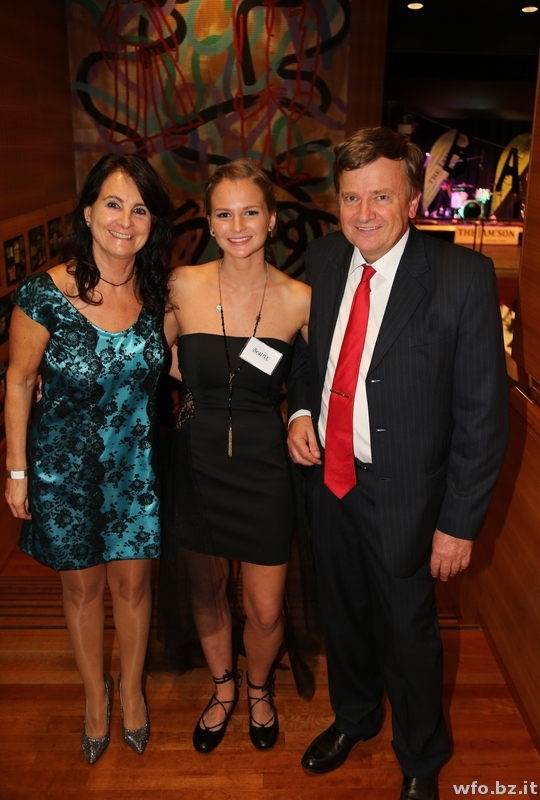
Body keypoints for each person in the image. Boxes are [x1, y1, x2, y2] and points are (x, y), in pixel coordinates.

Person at [286, 127, 509, 800]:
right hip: (331, 480)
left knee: (409, 634)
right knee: (342, 613)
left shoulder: (462, 278)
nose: (364, 214)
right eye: (351, 197)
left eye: (381, 196)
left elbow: (483, 416)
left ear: (412, 199)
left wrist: (458, 525)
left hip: (409, 495)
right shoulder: (324, 259)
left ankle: (421, 755)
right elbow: (309, 356)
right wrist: (300, 411)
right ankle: (354, 716)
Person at [4, 153, 174, 764]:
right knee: (82, 592)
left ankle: (131, 690)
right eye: (113, 204)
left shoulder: (161, 293)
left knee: (134, 587)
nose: (125, 220)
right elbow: (19, 381)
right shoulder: (42, 295)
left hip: (136, 470)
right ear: (87, 212)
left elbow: (180, 366)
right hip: (65, 471)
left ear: (152, 223)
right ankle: (95, 698)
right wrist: (17, 470)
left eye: (140, 209)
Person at [161, 159, 312, 753]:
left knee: (266, 609)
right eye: (224, 213)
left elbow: (319, 379)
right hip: (196, 463)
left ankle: (258, 688)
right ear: (209, 221)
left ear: (271, 219)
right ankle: (224, 689)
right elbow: (142, 357)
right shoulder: (180, 285)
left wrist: (302, 414)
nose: (238, 225)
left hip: (264, 469)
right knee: (206, 590)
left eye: (251, 212)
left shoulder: (300, 299)